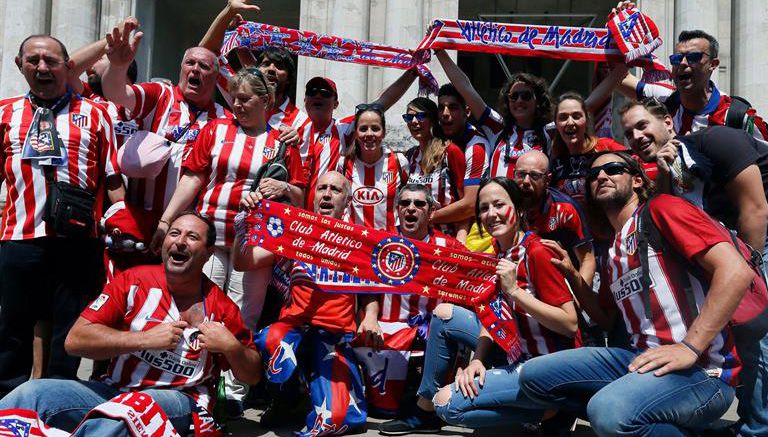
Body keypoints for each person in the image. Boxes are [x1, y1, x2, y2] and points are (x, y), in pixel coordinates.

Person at [519, 151, 755, 436]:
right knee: (533, 377)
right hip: (639, 361)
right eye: (593, 175)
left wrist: (689, 347)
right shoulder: (613, 250)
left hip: (703, 372)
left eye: (613, 169)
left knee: (606, 412)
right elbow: (606, 319)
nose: (602, 176)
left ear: (638, 181)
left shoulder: (662, 209)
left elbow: (735, 271)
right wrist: (572, 273)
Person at [0, 211, 261, 435]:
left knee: (127, 412)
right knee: (30, 394)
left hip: (182, 404)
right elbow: (75, 341)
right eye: (174, 234)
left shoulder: (221, 307)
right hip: (111, 392)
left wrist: (232, 348)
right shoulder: (133, 281)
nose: (180, 242)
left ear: (208, 253)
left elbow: (252, 374)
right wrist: (143, 339)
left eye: (192, 237)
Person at [380, 177, 577, 435]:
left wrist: (515, 292)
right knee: (444, 315)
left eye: (498, 205)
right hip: (512, 349)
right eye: (484, 208)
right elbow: (493, 315)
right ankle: (424, 410)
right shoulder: (499, 252)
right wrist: (478, 360)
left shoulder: (536, 252)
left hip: (543, 365)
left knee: (449, 406)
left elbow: (570, 325)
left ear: (517, 208)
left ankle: (549, 411)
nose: (491, 214)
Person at [619, 98, 768, 435]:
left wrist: (751, 274)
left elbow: (756, 210)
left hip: (758, 234)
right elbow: (682, 212)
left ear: (669, 124)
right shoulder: (668, 166)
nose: (637, 136)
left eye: (643, 125)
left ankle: (758, 429)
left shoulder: (718, 139)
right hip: (729, 239)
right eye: (629, 133)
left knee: (755, 330)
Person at [0, 35, 123, 394]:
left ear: (68, 67)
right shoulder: (5, 113)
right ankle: (9, 409)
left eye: (51, 61)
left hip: (78, 241)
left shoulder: (96, 113)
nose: (42, 68)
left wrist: (120, 222)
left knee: (68, 333)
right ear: (19, 65)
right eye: (34, 60)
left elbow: (112, 176)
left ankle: (56, 407)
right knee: (13, 330)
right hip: (19, 239)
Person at [234, 171, 379, 435]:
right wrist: (244, 220)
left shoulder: (358, 239)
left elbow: (371, 288)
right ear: (312, 198)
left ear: (347, 202)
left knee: (337, 419)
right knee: (271, 338)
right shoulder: (294, 234)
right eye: (322, 188)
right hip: (294, 330)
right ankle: (286, 398)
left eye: (335, 190)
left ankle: (311, 394)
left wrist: (370, 317)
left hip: (334, 336)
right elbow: (243, 262)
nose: (326, 194)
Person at [355, 183, 466, 416]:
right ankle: (390, 401)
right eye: (405, 203)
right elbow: (368, 286)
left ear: (431, 212)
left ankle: (427, 403)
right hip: (388, 323)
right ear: (397, 210)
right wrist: (372, 316)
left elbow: (464, 290)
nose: (411, 208)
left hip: (434, 327)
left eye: (419, 204)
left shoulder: (450, 247)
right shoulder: (381, 240)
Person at [101, 20, 230, 218]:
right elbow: (115, 93)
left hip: (188, 228)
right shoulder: (160, 95)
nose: (195, 69)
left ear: (215, 78)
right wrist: (118, 67)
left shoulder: (225, 119)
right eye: (190, 63)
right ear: (181, 68)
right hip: (139, 219)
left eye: (204, 66)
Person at [602, 5, 768, 141]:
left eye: (693, 57)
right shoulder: (666, 100)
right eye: (676, 58)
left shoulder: (737, 117)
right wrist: (618, 33)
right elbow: (619, 77)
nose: (682, 64)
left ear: (713, 64)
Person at [434, 49, 554, 175]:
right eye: (514, 96)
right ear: (507, 101)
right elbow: (465, 87)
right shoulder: (498, 128)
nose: (519, 100)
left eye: (526, 96)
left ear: (538, 101)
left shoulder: (550, 133)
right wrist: (439, 51)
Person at [200, 0, 310, 134]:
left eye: (279, 66)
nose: (271, 69)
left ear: (289, 77)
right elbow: (205, 55)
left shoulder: (301, 122)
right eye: (266, 64)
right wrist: (228, 13)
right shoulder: (240, 92)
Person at [403, 97, 470, 238]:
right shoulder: (409, 156)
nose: (414, 122)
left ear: (433, 119)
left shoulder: (450, 151)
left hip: (446, 240)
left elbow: (465, 206)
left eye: (421, 116)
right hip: (416, 239)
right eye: (409, 117)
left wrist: (460, 242)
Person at [549, 92, 626, 206]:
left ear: (586, 120)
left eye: (576, 116)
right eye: (563, 117)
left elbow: (636, 164)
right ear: (556, 123)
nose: (570, 122)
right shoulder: (554, 157)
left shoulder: (606, 146)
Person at [339, 105, 408, 231]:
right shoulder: (344, 163)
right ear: (356, 132)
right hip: (354, 242)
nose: (369, 134)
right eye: (363, 129)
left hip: (388, 242)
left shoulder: (399, 162)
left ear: (384, 132)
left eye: (375, 128)